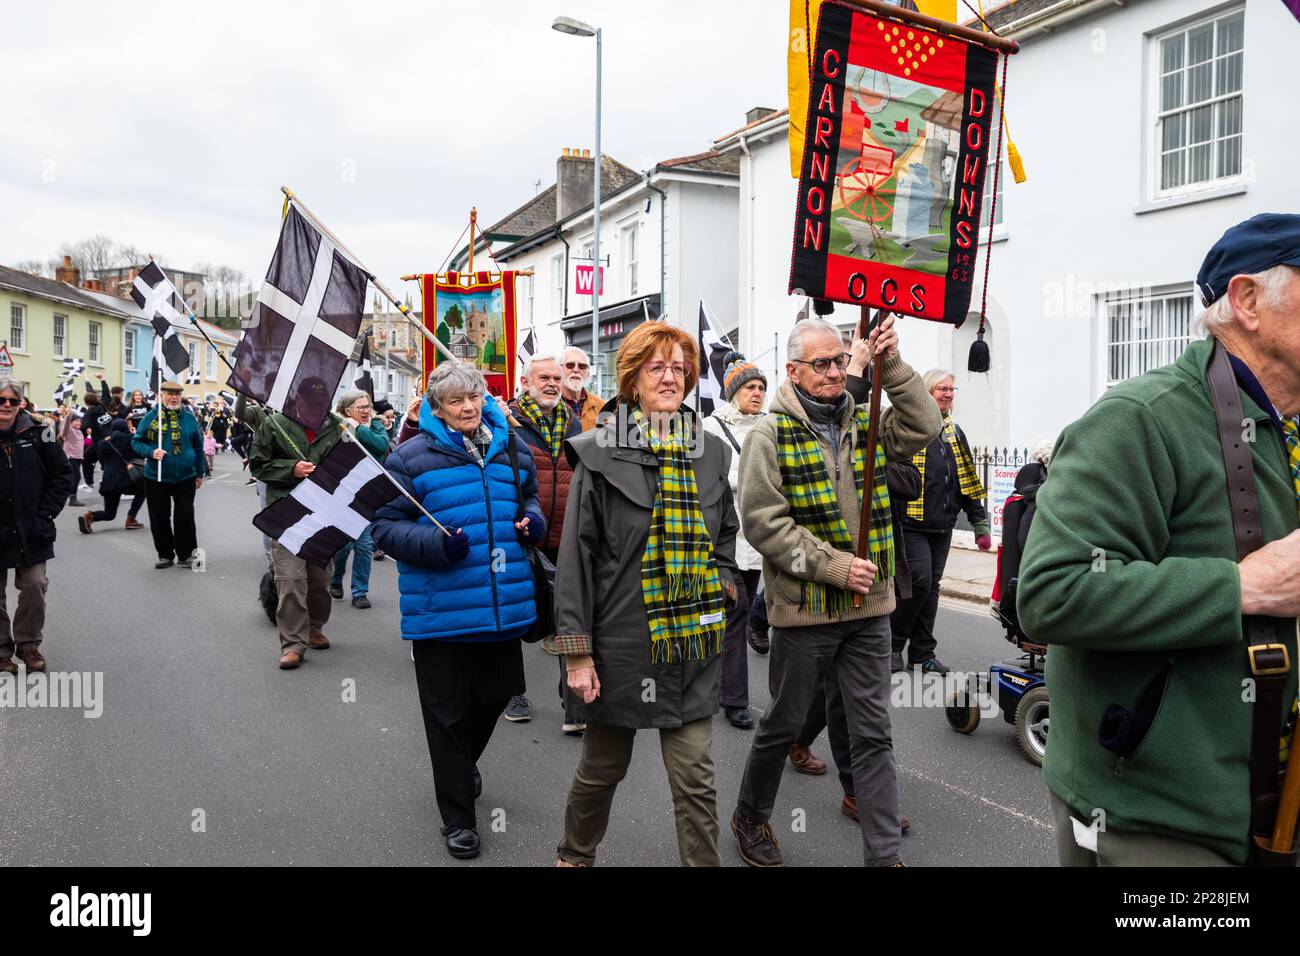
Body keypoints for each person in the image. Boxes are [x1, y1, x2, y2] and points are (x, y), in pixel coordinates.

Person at [1018, 213, 1300, 867]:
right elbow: (1052, 592)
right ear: (1248, 301)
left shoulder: (1286, 428)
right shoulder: (1140, 420)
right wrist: (1243, 586)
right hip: (1158, 821)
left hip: (1273, 809)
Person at [729, 314, 940, 868]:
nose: (832, 372)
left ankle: (883, 855)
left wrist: (890, 364)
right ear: (793, 371)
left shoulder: (867, 421)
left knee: (873, 733)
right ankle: (751, 818)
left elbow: (926, 423)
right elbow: (764, 525)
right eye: (819, 364)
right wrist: (835, 568)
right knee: (782, 724)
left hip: (871, 610)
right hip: (804, 613)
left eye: (840, 361)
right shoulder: (767, 436)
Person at [552, 322, 739, 867]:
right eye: (657, 367)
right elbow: (576, 560)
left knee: (695, 777)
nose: (671, 377)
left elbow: (724, 531)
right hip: (622, 644)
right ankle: (575, 854)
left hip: (691, 642)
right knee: (602, 769)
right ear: (632, 379)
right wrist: (577, 651)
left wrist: (723, 582)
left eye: (680, 367)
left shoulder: (710, 454)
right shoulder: (598, 453)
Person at [372, 363, 545, 860]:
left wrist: (531, 521)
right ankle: (458, 820)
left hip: (503, 606)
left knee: (495, 697)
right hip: (441, 614)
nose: (468, 406)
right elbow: (383, 527)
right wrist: (436, 545)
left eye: (474, 396)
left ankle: (461, 762)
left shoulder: (511, 446)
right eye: (455, 401)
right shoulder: (409, 458)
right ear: (436, 407)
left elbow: (529, 497)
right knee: (445, 719)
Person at [890, 368, 991, 674]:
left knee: (931, 587)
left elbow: (967, 479)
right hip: (911, 523)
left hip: (943, 524)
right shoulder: (910, 428)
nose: (948, 394)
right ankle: (893, 645)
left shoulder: (954, 432)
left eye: (951, 389)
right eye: (941, 389)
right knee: (918, 583)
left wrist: (979, 523)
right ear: (926, 393)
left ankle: (922, 653)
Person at [249, 383, 345, 668]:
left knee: (319, 580)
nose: (316, 409)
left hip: (324, 516)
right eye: (311, 403)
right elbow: (258, 465)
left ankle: (315, 628)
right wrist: (291, 470)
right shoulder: (274, 425)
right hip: (288, 513)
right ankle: (293, 644)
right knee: (289, 580)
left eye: (321, 403)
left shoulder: (338, 428)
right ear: (298, 399)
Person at [507, 354, 580, 729]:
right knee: (516, 615)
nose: (553, 383)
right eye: (544, 377)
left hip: (565, 534)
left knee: (569, 618)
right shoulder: (508, 424)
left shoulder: (572, 422)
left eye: (557, 376)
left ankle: (572, 701)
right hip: (521, 533)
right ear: (526, 381)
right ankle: (514, 693)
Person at [702, 350, 768, 731]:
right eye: (749, 387)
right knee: (736, 610)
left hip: (757, 537)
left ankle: (716, 684)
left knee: (733, 615)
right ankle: (734, 698)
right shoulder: (712, 427)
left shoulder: (771, 425)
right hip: (724, 536)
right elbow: (706, 476)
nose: (756, 393)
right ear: (734, 392)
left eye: (761, 387)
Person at [0, 378, 72, 674]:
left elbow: (62, 475)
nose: (5, 405)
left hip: (32, 527)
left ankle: (29, 645)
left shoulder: (39, 432)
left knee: (34, 585)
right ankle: (2, 652)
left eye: (12, 401)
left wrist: (45, 514)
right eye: (0, 399)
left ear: (21, 404)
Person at [132, 381, 208, 570]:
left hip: (185, 477)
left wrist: (200, 472)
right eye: (169, 393)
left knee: (185, 515)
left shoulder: (189, 418)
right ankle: (165, 554)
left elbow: (198, 447)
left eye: (177, 394)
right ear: (162, 395)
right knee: (159, 517)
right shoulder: (151, 417)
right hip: (156, 476)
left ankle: (186, 555)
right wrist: (151, 452)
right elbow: (136, 442)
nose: (173, 397)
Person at [328, 389, 389, 610]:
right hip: (343, 492)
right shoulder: (336, 429)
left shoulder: (376, 426)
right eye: (360, 407)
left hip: (367, 493)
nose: (365, 410)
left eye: (367, 406)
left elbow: (381, 446)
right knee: (344, 545)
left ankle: (360, 592)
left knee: (364, 545)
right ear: (347, 410)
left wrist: (359, 427)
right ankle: (336, 580)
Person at [79, 418, 146, 533]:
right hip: (127, 478)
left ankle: (89, 516)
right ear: (125, 427)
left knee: (109, 514)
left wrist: (89, 480)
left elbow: (88, 459)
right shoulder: (130, 439)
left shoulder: (102, 443)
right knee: (143, 490)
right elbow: (140, 454)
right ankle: (131, 518)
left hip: (108, 480)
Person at [560, 346, 604, 433]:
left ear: (588, 373)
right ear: (559, 370)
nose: (576, 370)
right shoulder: (549, 405)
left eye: (582, 366)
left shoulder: (602, 407)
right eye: (570, 365)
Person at [58, 407, 86, 508]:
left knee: (75, 477)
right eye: (76, 421)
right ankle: (72, 498)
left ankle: (71, 497)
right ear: (71, 422)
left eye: (80, 421)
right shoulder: (69, 431)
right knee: (76, 476)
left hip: (78, 457)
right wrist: (68, 416)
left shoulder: (80, 432)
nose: (79, 423)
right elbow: (65, 427)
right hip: (70, 456)